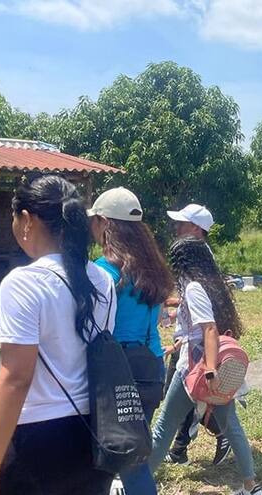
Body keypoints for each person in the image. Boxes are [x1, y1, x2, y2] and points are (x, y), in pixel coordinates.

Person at [0, 175, 117, 495]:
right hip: (95, 434)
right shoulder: (102, 279)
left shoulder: (22, 283)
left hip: (38, 441)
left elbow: (16, 377)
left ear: (26, 220)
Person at [148, 237, 262, 495]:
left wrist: (209, 369)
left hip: (196, 369)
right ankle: (251, 487)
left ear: (181, 263)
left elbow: (209, 328)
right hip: (215, 366)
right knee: (232, 427)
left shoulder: (193, 288)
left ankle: (138, 484)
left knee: (164, 427)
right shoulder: (211, 285)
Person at [88, 187, 174, 495]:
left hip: (116, 377)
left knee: (103, 459)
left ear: (104, 223)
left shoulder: (102, 271)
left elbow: (93, 331)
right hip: (152, 370)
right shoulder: (152, 268)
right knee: (134, 458)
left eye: (94, 221)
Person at [162, 203, 230, 466]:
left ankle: (181, 448)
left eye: (182, 223)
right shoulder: (197, 256)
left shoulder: (200, 257)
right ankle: (189, 445)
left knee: (186, 395)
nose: (176, 227)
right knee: (181, 394)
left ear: (196, 229)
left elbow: (207, 310)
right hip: (188, 337)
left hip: (195, 342)